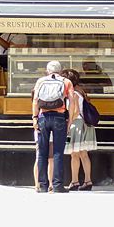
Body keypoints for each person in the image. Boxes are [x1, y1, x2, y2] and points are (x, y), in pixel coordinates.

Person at [32, 60, 78, 193]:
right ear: (60, 70)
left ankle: (42, 185)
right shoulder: (66, 82)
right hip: (59, 117)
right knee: (58, 152)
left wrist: (34, 118)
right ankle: (57, 185)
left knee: (42, 152)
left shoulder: (40, 81)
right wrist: (69, 120)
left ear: (47, 71)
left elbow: (35, 101)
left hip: (43, 117)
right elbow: (72, 102)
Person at [62, 68, 97, 191]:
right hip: (84, 125)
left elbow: (75, 111)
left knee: (75, 154)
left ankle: (75, 181)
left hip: (76, 124)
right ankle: (87, 181)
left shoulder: (74, 93)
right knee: (83, 154)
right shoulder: (80, 91)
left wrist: (68, 123)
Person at [31, 88, 54, 191]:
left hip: (42, 131)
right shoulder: (45, 106)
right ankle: (48, 184)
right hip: (48, 132)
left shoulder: (36, 107)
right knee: (49, 159)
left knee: (40, 158)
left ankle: (39, 184)